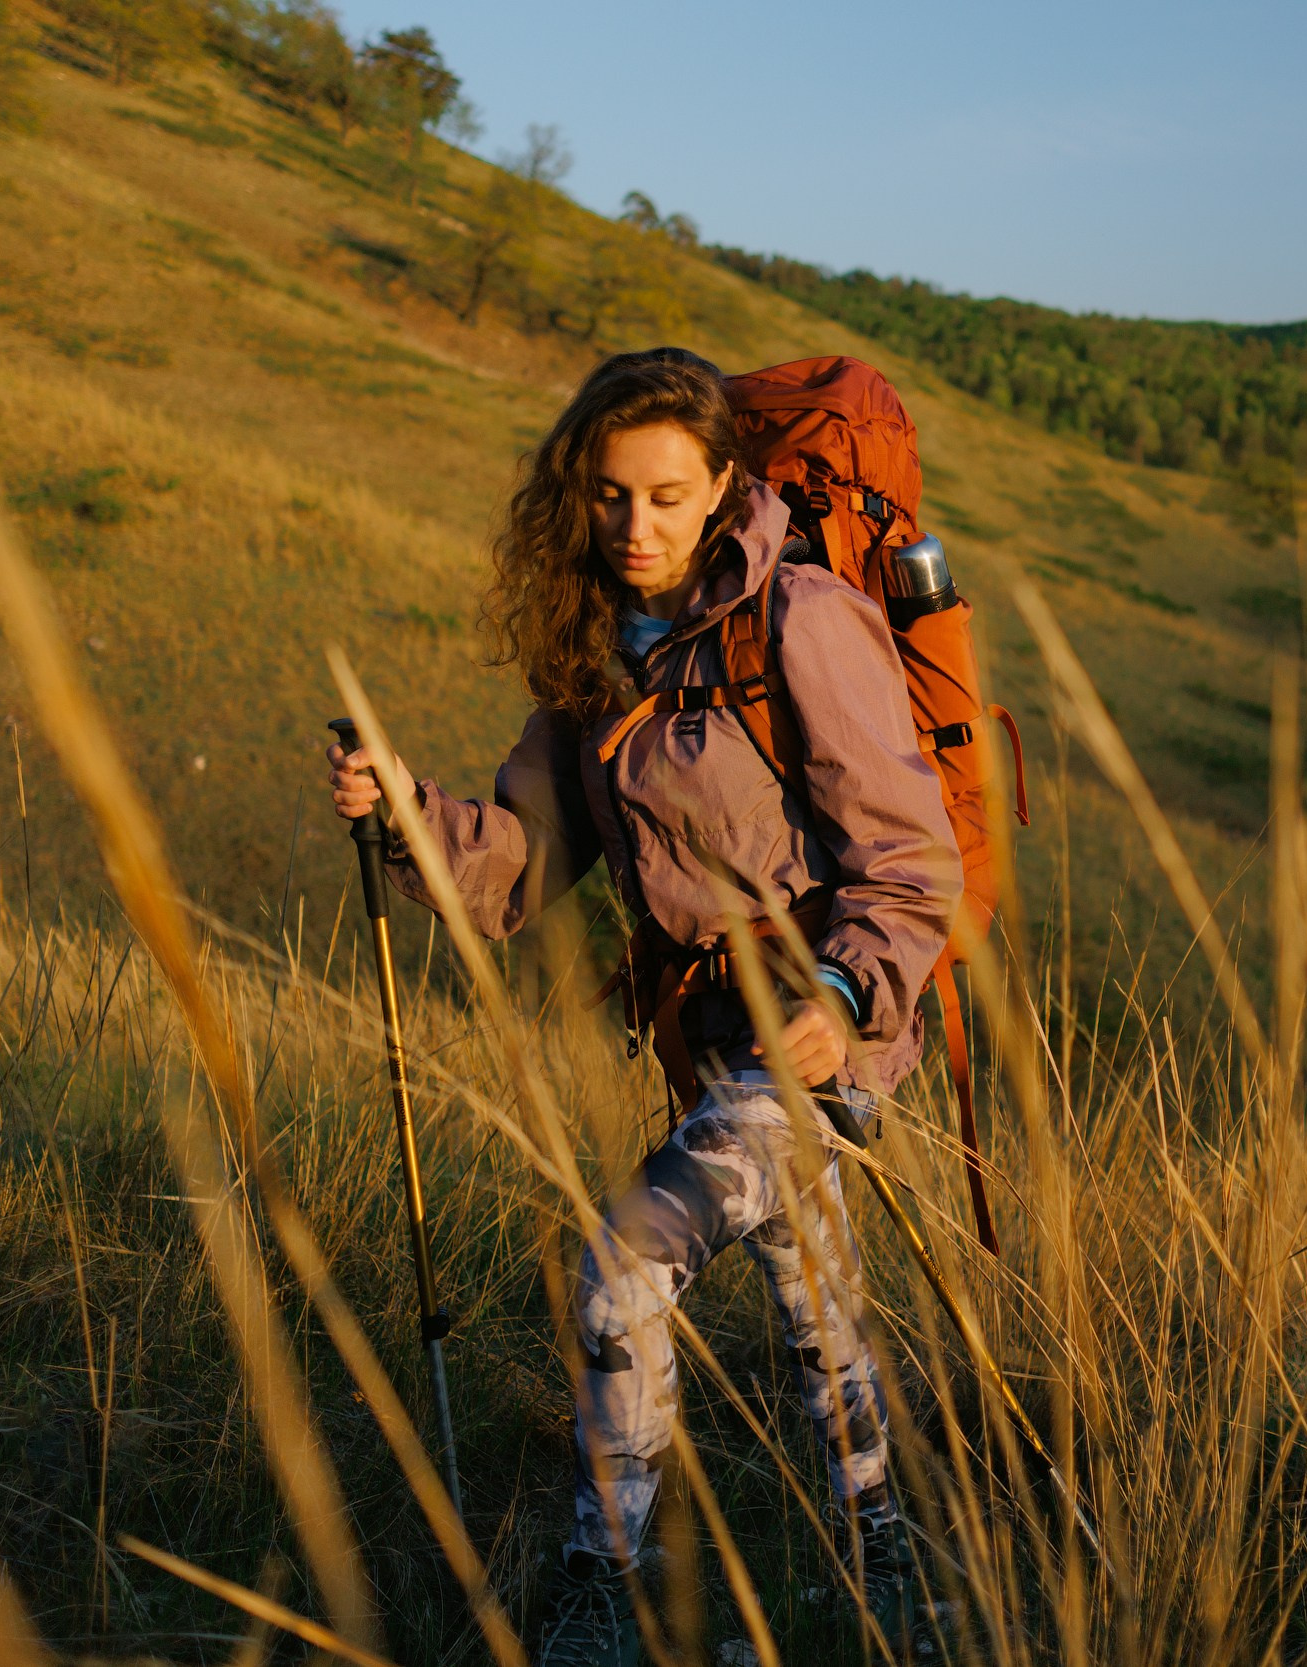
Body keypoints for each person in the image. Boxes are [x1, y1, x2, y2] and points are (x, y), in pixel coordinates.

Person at [326, 348, 959, 1664]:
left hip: (825, 1040)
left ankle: (596, 1600)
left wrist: (842, 997)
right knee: (815, 1302)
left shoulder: (801, 622)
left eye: (669, 497)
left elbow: (910, 862)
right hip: (714, 1043)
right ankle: (884, 1571)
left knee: (622, 1271)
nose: (637, 528)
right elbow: (512, 874)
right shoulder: (597, 661)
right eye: (610, 498)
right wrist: (403, 810)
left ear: (726, 485)